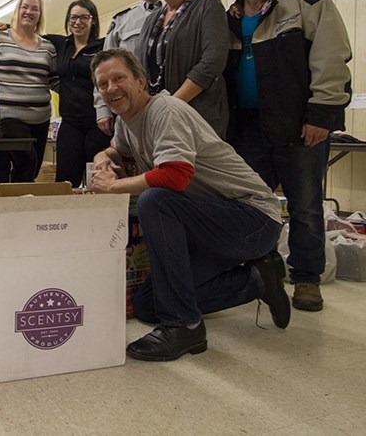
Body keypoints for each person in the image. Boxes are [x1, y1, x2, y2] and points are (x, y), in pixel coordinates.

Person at [91, 48, 287, 362]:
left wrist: (112, 186)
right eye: (103, 84)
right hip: (213, 226)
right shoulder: (126, 122)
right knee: (148, 305)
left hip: (253, 220)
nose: (111, 88)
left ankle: (185, 326)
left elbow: (175, 175)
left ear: (141, 82)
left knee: (156, 200)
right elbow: (115, 150)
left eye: (119, 79)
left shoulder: (165, 110)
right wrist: (102, 159)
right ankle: (259, 278)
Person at [225, 0, 353, 312]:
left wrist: (321, 115)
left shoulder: (306, 2)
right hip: (247, 129)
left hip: (299, 126)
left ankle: (307, 278)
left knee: (306, 206)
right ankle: (258, 272)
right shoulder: (229, 17)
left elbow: (331, 61)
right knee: (252, 205)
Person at [135, 0, 229, 138]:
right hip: (156, 116)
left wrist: (173, 105)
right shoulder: (152, 19)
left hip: (197, 115)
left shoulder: (208, 5)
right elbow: (138, 66)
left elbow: (213, 60)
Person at [0, 0, 58, 183]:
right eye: (25, 7)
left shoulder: (48, 47)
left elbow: (53, 80)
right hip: (7, 115)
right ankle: (11, 203)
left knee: (32, 169)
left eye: (35, 8)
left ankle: (13, 203)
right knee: (27, 160)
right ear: (17, 10)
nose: (29, 12)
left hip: (40, 118)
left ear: (40, 14)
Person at [44, 0, 111, 187]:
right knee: (65, 181)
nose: (78, 22)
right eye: (73, 17)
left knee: (96, 179)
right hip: (70, 123)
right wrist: (7, 26)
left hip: (97, 123)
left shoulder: (102, 46)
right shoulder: (61, 44)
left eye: (84, 17)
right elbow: (30, 35)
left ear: (93, 20)